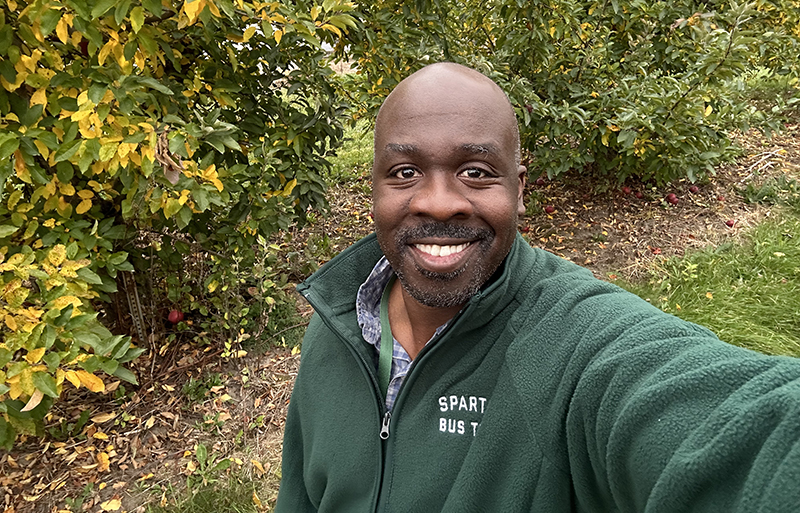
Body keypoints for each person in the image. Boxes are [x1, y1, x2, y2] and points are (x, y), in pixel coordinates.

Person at [275, 63, 800, 512]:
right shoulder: (335, 328)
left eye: (476, 171)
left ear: (519, 189)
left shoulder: (577, 346)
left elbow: (733, 426)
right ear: (375, 187)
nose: (437, 202)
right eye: (406, 171)